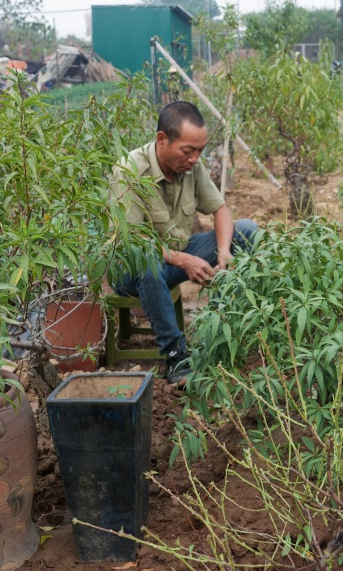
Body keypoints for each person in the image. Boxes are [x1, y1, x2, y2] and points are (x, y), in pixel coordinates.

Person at [110, 101, 257, 386]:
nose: (194, 159)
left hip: (175, 257)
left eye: (200, 151)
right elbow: (132, 240)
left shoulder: (192, 168)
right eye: (188, 151)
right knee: (147, 259)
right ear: (162, 140)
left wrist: (224, 252)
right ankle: (177, 355)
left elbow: (221, 210)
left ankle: (224, 328)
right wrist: (183, 260)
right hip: (131, 267)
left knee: (247, 230)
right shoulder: (129, 170)